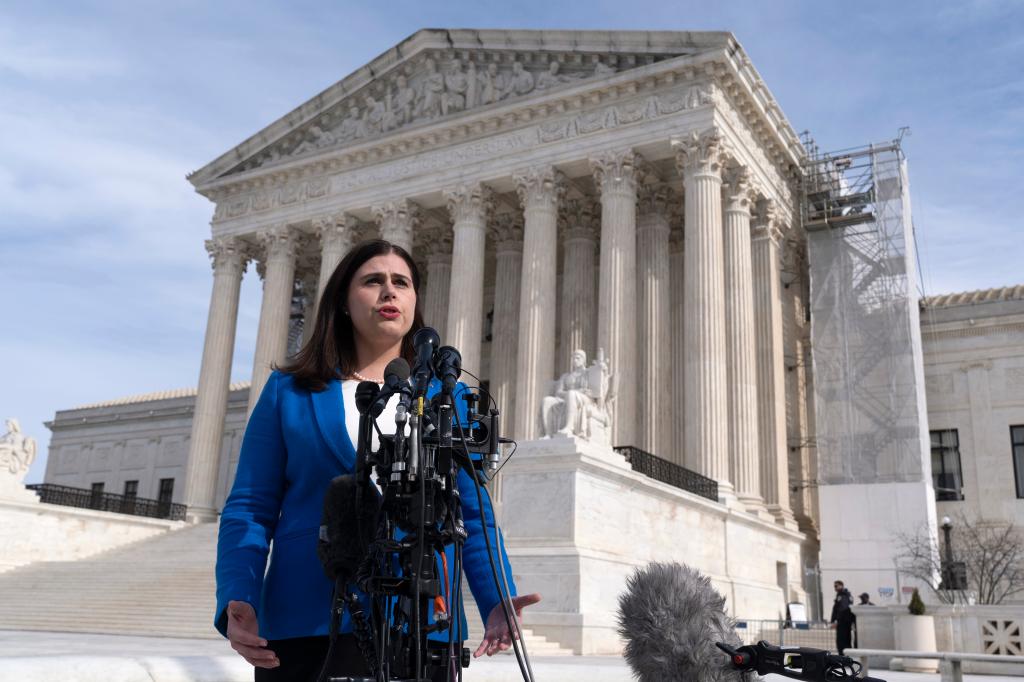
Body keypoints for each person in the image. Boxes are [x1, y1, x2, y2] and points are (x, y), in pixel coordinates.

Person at [214, 239, 541, 681]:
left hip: (425, 624)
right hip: (309, 621)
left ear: (414, 302)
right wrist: (239, 592)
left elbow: (474, 514)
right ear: (344, 302)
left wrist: (497, 599)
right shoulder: (289, 392)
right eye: (373, 281)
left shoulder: (450, 399)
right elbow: (251, 506)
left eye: (401, 283)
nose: (390, 292)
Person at [829, 580, 855, 654]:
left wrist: (837, 621)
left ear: (841, 585)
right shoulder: (847, 595)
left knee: (841, 642)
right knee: (846, 641)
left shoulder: (842, 596)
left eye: (836, 586)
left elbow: (842, 610)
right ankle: (846, 657)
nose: (835, 588)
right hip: (846, 622)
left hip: (843, 623)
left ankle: (843, 658)